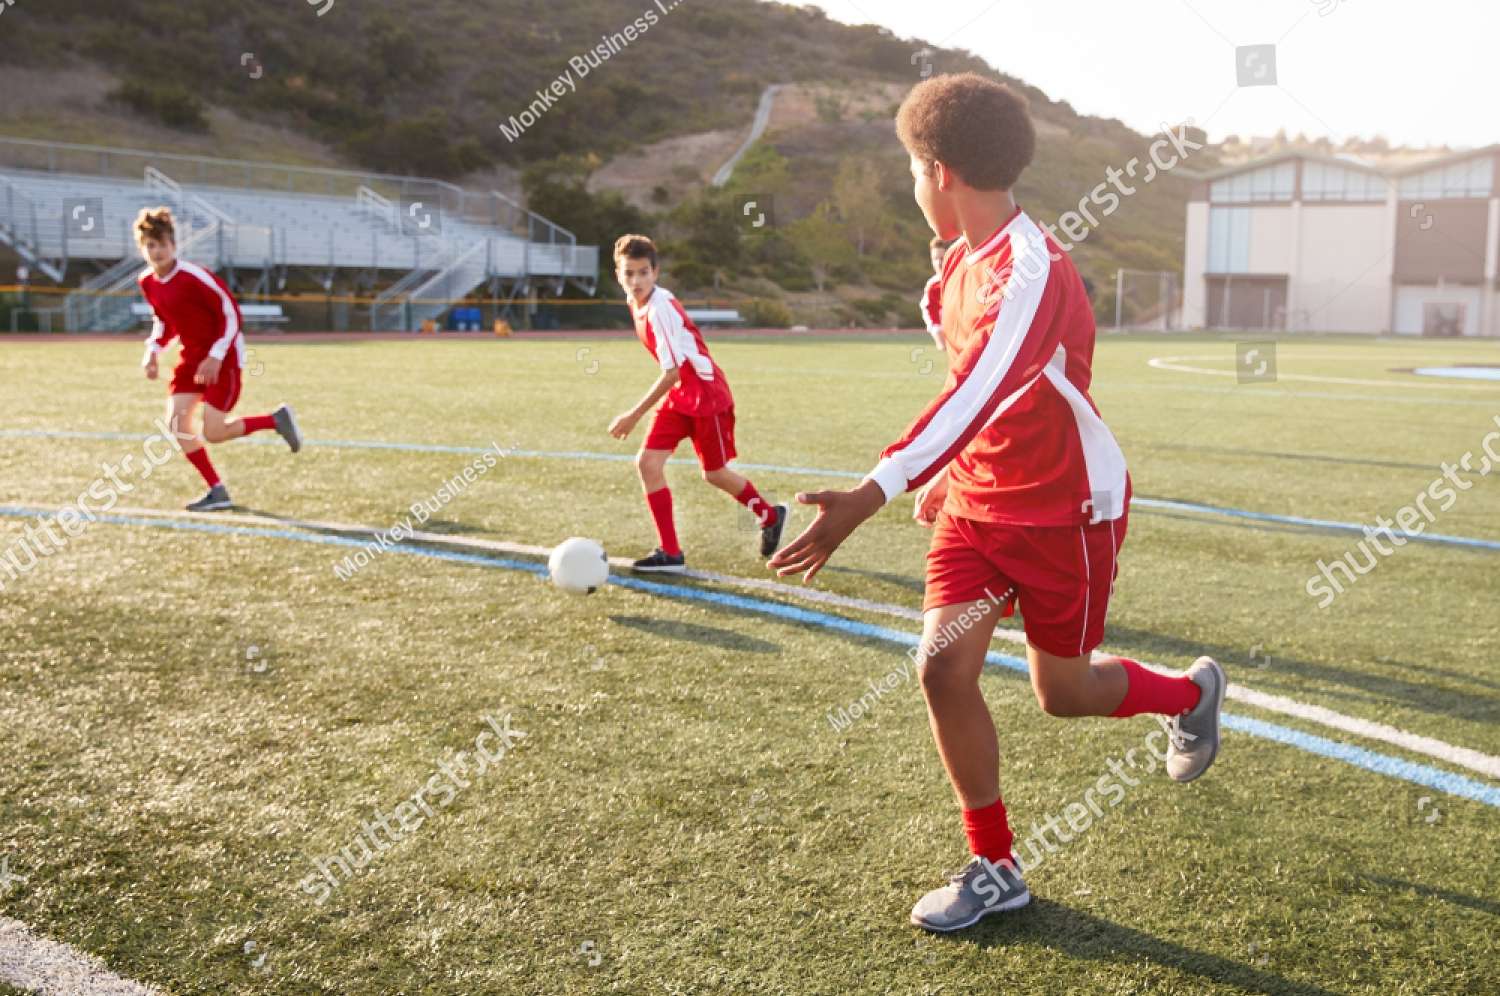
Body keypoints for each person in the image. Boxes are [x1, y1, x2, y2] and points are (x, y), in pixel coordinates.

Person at [767, 74, 1224, 932]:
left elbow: (981, 386)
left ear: (937, 169)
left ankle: (1188, 697)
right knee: (941, 667)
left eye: (910, 168)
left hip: (1066, 514)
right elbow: (975, 395)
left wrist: (870, 493)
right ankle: (995, 865)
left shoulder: (1032, 270)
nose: (910, 186)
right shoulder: (953, 274)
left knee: (1065, 692)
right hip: (977, 511)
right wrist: (944, 475)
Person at [608, 234, 786, 572]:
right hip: (680, 396)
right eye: (629, 273)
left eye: (643, 272)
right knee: (647, 464)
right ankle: (671, 554)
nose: (636, 281)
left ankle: (770, 516)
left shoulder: (660, 309)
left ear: (655, 272)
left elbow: (672, 373)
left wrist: (632, 415)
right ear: (618, 275)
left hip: (706, 396)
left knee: (714, 473)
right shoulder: (636, 303)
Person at [136, 207, 301, 511]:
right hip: (190, 359)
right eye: (150, 245)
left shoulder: (195, 277)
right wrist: (152, 352)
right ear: (142, 248)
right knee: (177, 425)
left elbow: (231, 315)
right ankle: (217, 490)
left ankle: (275, 420)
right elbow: (164, 322)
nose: (156, 251)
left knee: (214, 432)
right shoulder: (147, 282)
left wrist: (214, 356)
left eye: (161, 244)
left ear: (174, 245)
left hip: (223, 357)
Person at [922, 235, 953, 349]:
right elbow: (930, 311)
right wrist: (938, 336)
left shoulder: (964, 278)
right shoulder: (933, 286)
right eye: (935, 259)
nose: (939, 263)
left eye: (942, 258)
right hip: (952, 344)